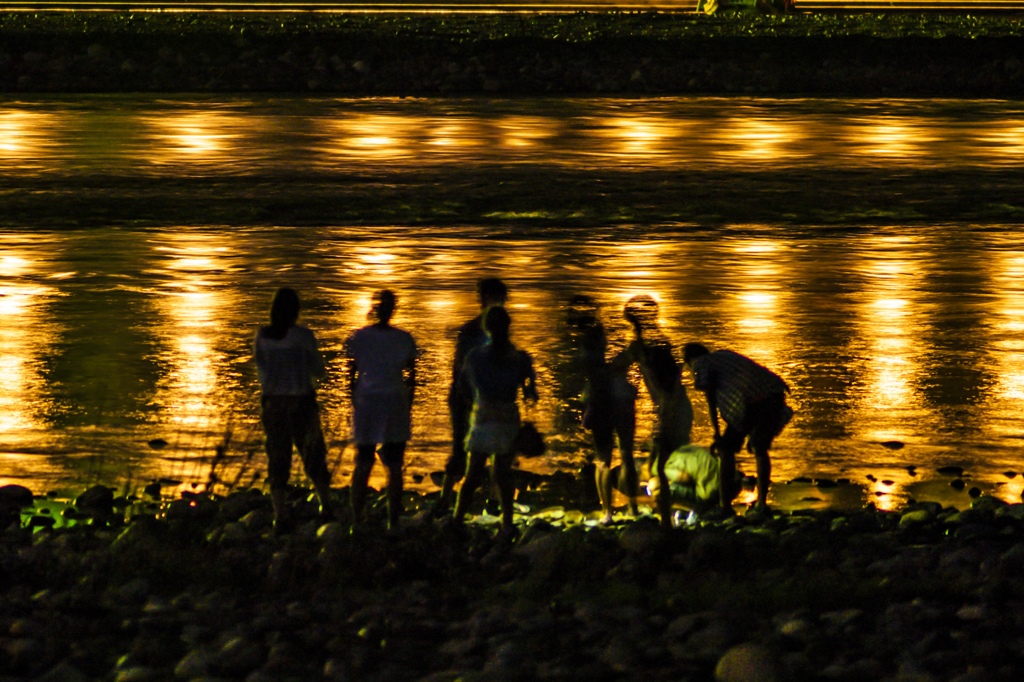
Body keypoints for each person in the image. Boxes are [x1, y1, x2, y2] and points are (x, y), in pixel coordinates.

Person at [253, 287, 335, 535]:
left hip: (273, 403)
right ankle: (326, 505)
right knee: (313, 454)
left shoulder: (262, 337)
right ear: (295, 312)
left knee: (278, 458)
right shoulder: (303, 337)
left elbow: (261, 369)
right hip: (302, 402)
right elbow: (318, 370)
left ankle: (280, 515)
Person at [453, 305, 538, 538]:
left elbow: (463, 388)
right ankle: (507, 523)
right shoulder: (520, 358)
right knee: (502, 473)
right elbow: (531, 393)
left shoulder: (475, 357)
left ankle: (458, 518)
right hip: (507, 416)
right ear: (508, 327)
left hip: (483, 414)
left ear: (486, 328)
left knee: (474, 472)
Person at [612, 295, 693, 529]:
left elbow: (617, 366)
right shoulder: (663, 343)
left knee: (662, 466)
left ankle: (668, 518)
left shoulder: (640, 347)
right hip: (679, 406)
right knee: (664, 461)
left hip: (669, 409)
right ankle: (672, 511)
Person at [683, 342, 792, 512]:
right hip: (773, 395)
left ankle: (724, 505)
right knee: (760, 449)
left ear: (689, 360)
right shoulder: (724, 356)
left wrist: (717, 434)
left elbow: (711, 399)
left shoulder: (701, 363)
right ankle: (762, 503)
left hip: (751, 403)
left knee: (726, 450)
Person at [433, 278, 508, 518]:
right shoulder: (474, 330)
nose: (501, 303)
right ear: (486, 299)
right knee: (462, 447)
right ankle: (447, 497)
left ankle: (488, 497)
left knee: (490, 447)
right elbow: (460, 369)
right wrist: (466, 396)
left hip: (484, 399)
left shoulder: (490, 329)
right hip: (466, 398)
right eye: (497, 298)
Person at [346, 290, 417, 531]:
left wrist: (354, 398)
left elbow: (352, 375)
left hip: (368, 401)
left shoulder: (359, 337)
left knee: (363, 461)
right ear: (393, 309)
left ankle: (357, 518)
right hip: (394, 400)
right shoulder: (404, 339)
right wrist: (409, 404)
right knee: (395, 464)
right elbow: (411, 377)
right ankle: (393, 521)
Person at [578, 317, 639, 524]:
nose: (607, 340)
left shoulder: (591, 362)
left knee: (604, 461)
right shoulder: (605, 365)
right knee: (625, 456)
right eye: (604, 337)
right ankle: (632, 508)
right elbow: (634, 351)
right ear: (600, 342)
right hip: (619, 406)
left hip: (601, 409)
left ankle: (608, 512)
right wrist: (637, 328)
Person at [642, 443, 741, 513]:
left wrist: (652, 485)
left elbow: (684, 477)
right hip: (730, 484)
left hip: (710, 493)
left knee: (659, 490)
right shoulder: (680, 450)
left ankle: (700, 512)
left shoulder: (659, 467)